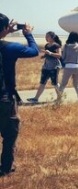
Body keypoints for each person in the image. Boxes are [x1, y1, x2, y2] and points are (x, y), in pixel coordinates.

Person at [0, 14, 39, 177]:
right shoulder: (9, 48)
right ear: (4, 28)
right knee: (10, 134)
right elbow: (34, 51)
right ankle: (6, 168)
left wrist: (5, 31)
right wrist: (28, 33)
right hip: (4, 99)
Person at [27, 31, 63, 103]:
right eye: (45, 36)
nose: (46, 38)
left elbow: (59, 55)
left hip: (54, 66)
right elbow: (48, 54)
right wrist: (44, 56)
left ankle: (60, 98)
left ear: (52, 37)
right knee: (42, 82)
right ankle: (36, 98)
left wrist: (49, 53)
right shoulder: (46, 45)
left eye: (47, 36)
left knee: (55, 83)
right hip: (46, 66)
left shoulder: (56, 45)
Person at [59, 31, 78, 102]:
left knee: (63, 85)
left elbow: (63, 56)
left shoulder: (66, 46)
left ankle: (59, 100)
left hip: (68, 67)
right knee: (76, 85)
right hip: (77, 67)